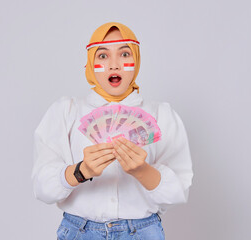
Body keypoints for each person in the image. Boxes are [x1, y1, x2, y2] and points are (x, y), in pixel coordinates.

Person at [31, 22, 193, 240]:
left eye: (124, 54)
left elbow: (179, 191)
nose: (114, 65)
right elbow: (43, 187)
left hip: (143, 232)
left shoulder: (162, 114)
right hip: (80, 232)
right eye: (103, 56)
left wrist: (142, 171)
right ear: (89, 63)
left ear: (136, 61)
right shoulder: (65, 111)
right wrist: (81, 171)